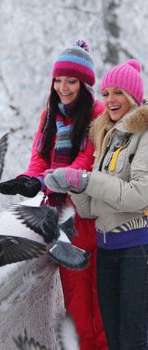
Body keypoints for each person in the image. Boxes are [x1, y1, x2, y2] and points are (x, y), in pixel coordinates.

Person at [0, 41, 107, 350]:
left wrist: (44, 182)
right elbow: (39, 162)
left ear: (84, 84)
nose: (63, 87)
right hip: (63, 225)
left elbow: (83, 163)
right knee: (77, 308)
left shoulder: (98, 116)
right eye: (58, 80)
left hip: (95, 219)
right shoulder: (49, 117)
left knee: (103, 306)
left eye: (71, 81)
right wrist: (27, 181)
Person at [44, 59, 148, 349]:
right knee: (114, 341)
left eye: (118, 93)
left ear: (132, 97)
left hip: (137, 251)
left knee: (134, 340)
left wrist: (86, 180)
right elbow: (91, 209)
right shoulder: (108, 137)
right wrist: (72, 184)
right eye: (105, 93)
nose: (110, 100)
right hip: (107, 251)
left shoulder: (144, 136)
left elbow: (140, 195)